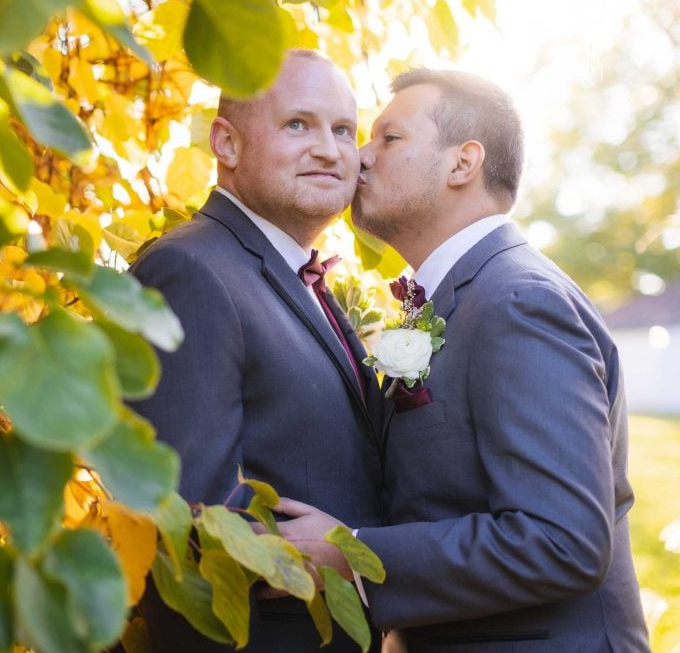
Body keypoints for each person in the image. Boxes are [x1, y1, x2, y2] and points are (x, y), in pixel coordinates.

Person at [272, 68, 650, 651]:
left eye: (388, 138)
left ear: (462, 163)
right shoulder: (462, 298)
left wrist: (352, 552)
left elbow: (561, 541)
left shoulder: (519, 302)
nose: (360, 158)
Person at [129, 49, 385, 652]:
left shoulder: (297, 277)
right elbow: (189, 515)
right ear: (227, 143)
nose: (329, 148)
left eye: (343, 130)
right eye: (298, 124)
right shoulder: (189, 270)